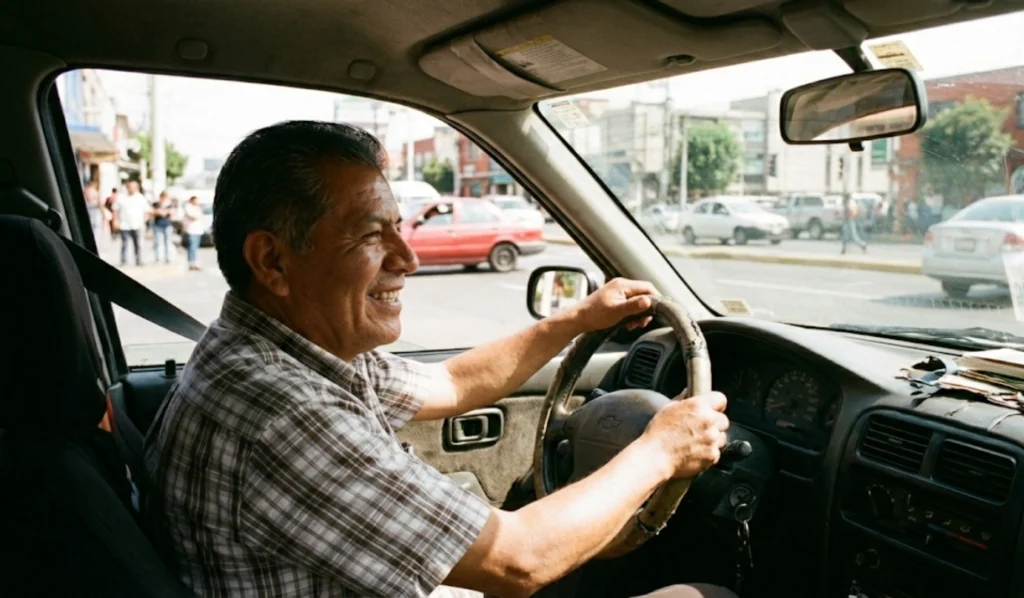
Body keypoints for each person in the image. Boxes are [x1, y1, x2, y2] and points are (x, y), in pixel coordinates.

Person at [144, 121, 734, 598]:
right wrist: (661, 449)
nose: (408, 258)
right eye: (371, 234)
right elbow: (519, 561)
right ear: (273, 261)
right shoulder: (282, 412)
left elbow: (451, 383)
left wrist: (577, 320)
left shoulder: (286, 352)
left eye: (397, 228)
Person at [114, 180, 150, 266]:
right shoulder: (121, 197)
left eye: (134, 187)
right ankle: (124, 260)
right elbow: (115, 210)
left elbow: (147, 211)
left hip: (138, 225)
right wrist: (115, 221)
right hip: (125, 225)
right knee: (125, 243)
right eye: (130, 187)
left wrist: (144, 221)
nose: (132, 189)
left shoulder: (141, 198)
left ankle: (139, 260)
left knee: (138, 244)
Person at [182, 195, 204, 271]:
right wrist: (198, 214)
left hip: (198, 230)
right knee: (192, 247)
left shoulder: (197, 207)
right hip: (191, 230)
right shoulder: (188, 207)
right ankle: (192, 263)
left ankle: (195, 261)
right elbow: (193, 217)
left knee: (195, 247)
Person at [152, 191, 174, 264]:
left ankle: (168, 258)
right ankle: (158, 258)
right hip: (158, 225)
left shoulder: (170, 204)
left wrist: (162, 211)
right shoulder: (156, 204)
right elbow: (154, 212)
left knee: (168, 242)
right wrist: (164, 211)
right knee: (158, 242)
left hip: (167, 225)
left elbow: (172, 213)